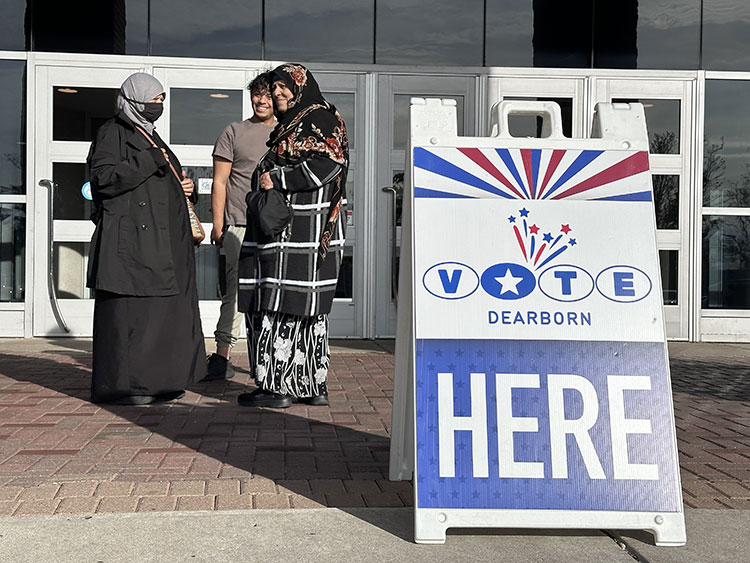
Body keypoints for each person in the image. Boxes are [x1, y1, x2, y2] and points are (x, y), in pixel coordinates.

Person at [86, 72, 206, 405]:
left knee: (159, 316)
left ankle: (161, 382)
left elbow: (162, 182)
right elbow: (104, 179)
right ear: (134, 100)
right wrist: (147, 160)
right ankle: (129, 388)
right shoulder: (113, 132)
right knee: (131, 317)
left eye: (162, 100)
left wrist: (185, 190)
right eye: (153, 99)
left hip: (162, 243)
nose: (159, 105)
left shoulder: (151, 134)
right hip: (132, 244)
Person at [237, 63, 348, 408]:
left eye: (284, 87)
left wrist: (279, 179)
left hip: (300, 233)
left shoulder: (319, 118)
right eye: (274, 89)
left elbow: (330, 163)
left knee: (280, 304)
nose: (278, 93)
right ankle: (311, 385)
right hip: (295, 232)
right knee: (300, 308)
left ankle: (277, 388)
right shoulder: (298, 123)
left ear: (300, 86)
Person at [204, 72, 275, 381]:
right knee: (235, 289)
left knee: (273, 292)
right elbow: (219, 182)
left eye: (268, 95)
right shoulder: (234, 131)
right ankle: (222, 356)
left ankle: (270, 356)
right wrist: (218, 225)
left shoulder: (287, 133)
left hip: (276, 227)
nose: (261, 100)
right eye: (257, 95)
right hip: (239, 224)